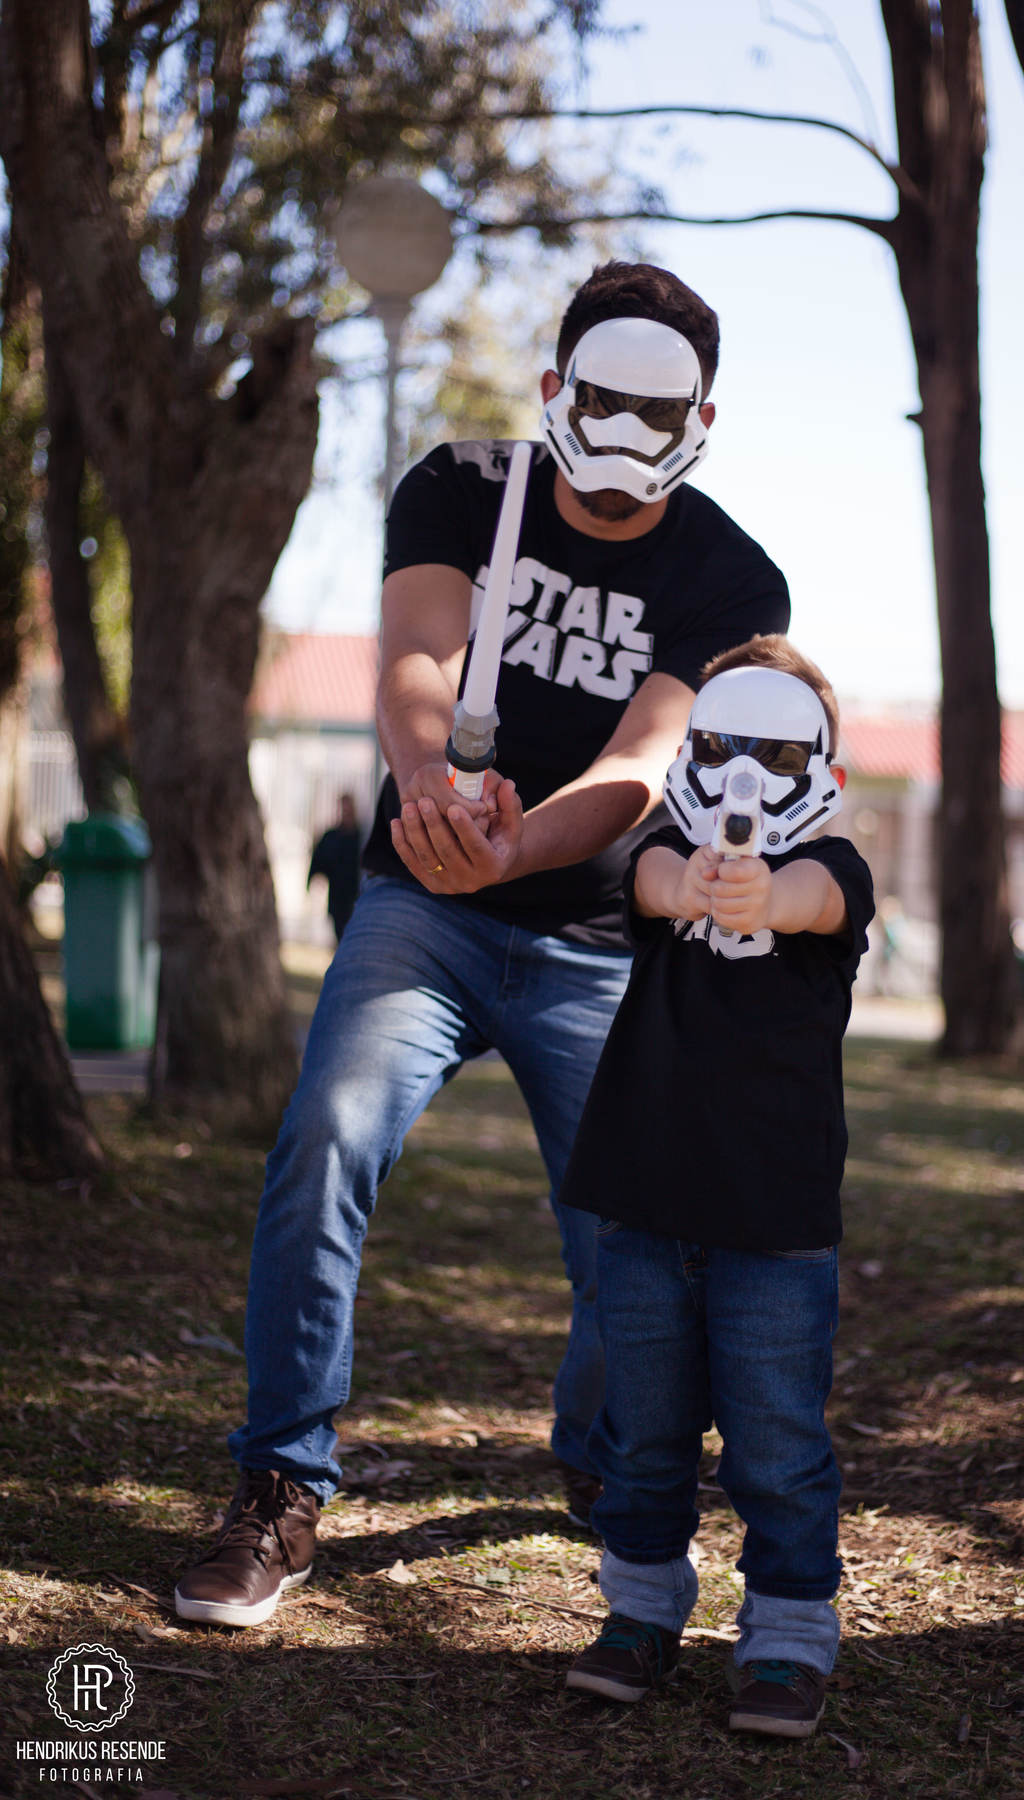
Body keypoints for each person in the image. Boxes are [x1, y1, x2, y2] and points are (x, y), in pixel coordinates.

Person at [172, 261, 792, 1628]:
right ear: (556, 388)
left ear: (702, 420)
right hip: (427, 910)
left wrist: (520, 846)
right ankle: (279, 1487)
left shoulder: (733, 576)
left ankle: (600, 1451)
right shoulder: (461, 487)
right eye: (604, 401)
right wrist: (432, 796)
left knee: (633, 1236)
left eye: (660, 412)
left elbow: (642, 763)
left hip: (600, 939)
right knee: (326, 1139)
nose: (626, 437)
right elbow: (414, 661)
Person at [558, 636, 874, 1740]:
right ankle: (640, 1613)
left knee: (777, 1448)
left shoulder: (836, 868)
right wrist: (689, 880)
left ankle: (787, 1634)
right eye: (723, 745)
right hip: (645, 1209)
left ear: (824, 770)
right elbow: (643, 880)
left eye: (776, 752)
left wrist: (762, 894)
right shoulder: (664, 854)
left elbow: (816, 900)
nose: (744, 774)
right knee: (641, 1438)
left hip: (776, 1230)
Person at [307, 793, 363, 942]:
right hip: (337, 899)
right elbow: (318, 862)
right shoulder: (331, 837)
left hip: (357, 898)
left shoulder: (362, 837)